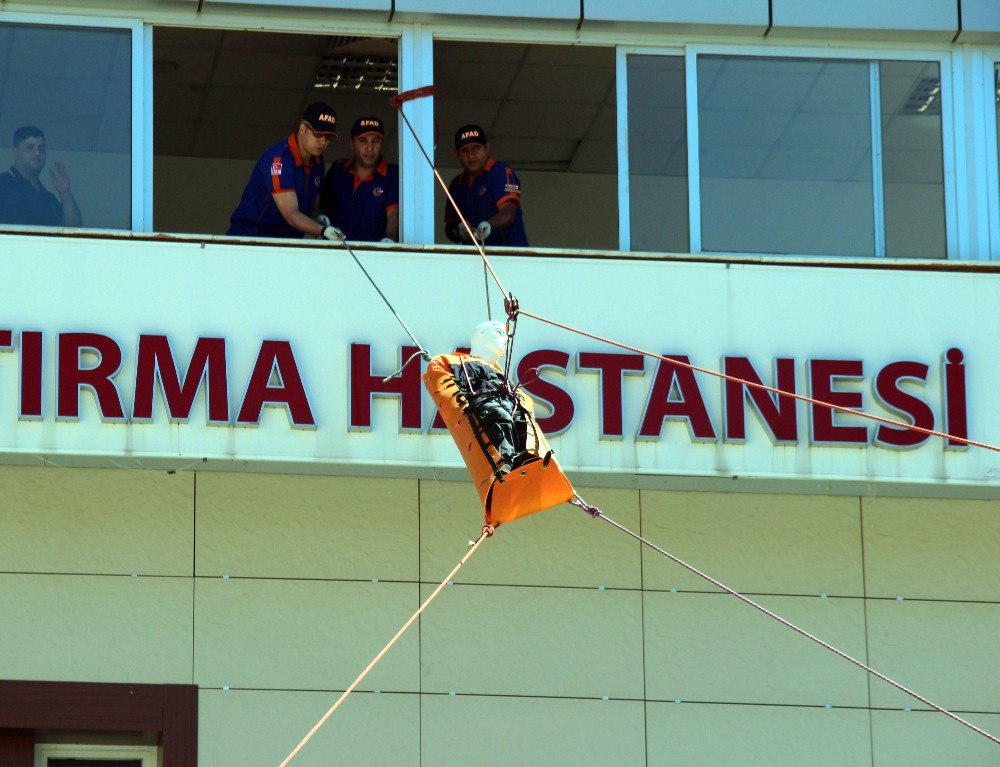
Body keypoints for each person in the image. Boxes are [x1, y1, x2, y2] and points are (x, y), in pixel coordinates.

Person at [227, 102, 343, 240]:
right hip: (251, 240)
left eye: (328, 137)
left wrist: (320, 217)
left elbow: (313, 206)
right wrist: (322, 230)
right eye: (318, 134)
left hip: (287, 244)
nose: (323, 142)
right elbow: (291, 215)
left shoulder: (317, 161)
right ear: (302, 129)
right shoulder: (279, 158)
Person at [444, 124, 528, 248]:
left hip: (510, 257)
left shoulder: (500, 171)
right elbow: (449, 227)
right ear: (456, 153)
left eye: (476, 148)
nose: (471, 156)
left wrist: (487, 226)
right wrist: (459, 230)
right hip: (472, 260)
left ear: (487, 147)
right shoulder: (457, 185)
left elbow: (508, 213)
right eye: (464, 150)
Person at [319, 116, 399, 242]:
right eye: (363, 140)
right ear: (352, 143)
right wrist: (321, 224)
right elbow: (319, 206)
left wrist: (388, 242)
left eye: (376, 141)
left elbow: (394, 215)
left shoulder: (392, 174)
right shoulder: (337, 170)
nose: (370, 147)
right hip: (335, 254)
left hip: (375, 255)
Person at [0, 126, 82, 227]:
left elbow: (73, 229)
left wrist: (65, 193)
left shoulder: (48, 198)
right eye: (30, 148)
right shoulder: (3, 184)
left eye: (41, 148)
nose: (37, 153)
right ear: (15, 153)